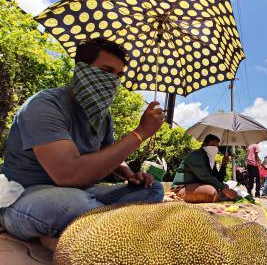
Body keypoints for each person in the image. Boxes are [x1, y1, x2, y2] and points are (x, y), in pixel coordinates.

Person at [0, 38, 165, 250]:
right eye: (106, 70)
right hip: (24, 194)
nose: (113, 80)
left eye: (119, 75)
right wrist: (140, 133)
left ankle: (72, 229)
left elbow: (109, 152)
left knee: (151, 190)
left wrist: (130, 175)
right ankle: (86, 226)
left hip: (82, 191)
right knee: (73, 203)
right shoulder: (45, 105)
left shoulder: (103, 117)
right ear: (82, 71)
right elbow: (69, 174)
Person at [172, 134, 238, 203]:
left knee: (225, 186)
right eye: (212, 145)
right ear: (204, 144)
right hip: (182, 188)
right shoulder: (196, 155)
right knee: (211, 191)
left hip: (198, 186)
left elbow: (218, 180)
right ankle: (221, 196)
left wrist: (224, 165)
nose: (215, 148)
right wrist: (223, 189)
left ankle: (220, 196)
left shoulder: (210, 160)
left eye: (217, 146)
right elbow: (205, 177)